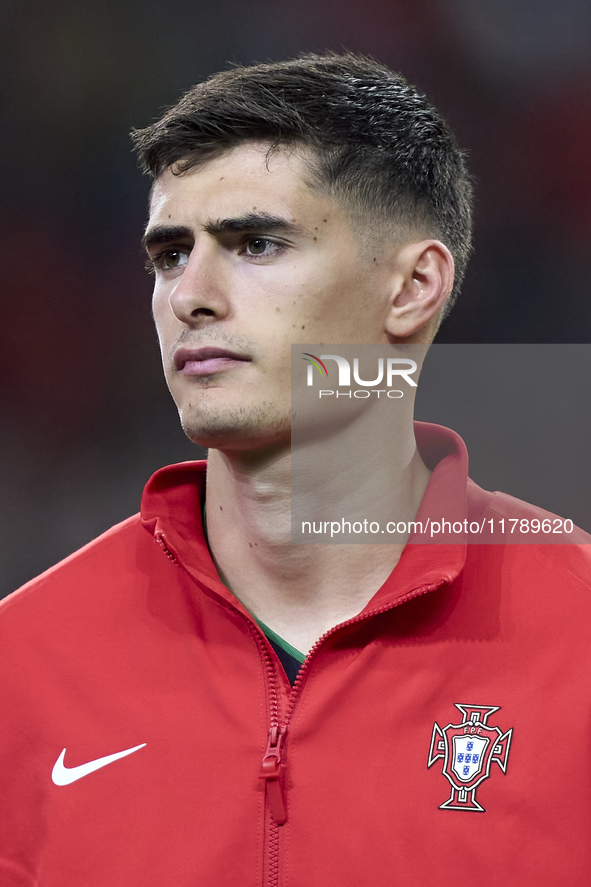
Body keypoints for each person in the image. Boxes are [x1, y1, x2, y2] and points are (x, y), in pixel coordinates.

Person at [1, 52, 590, 887]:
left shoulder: (578, 637)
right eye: (169, 255)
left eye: (255, 243)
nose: (190, 296)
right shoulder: (21, 665)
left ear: (413, 286)